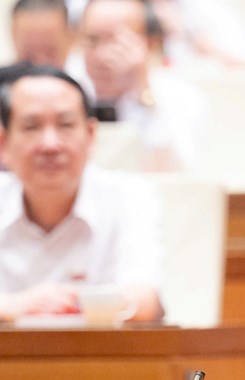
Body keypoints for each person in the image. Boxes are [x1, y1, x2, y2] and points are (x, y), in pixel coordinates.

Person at [0, 65, 164, 322]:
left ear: (90, 135)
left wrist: (66, 303)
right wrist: (21, 303)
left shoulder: (130, 197)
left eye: (65, 125)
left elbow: (144, 299)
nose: (50, 144)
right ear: (3, 143)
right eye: (31, 127)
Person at [78, 0, 207, 172]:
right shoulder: (68, 94)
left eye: (116, 42)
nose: (101, 55)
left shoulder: (182, 97)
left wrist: (143, 95)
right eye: (92, 41)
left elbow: (175, 179)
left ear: (151, 43)